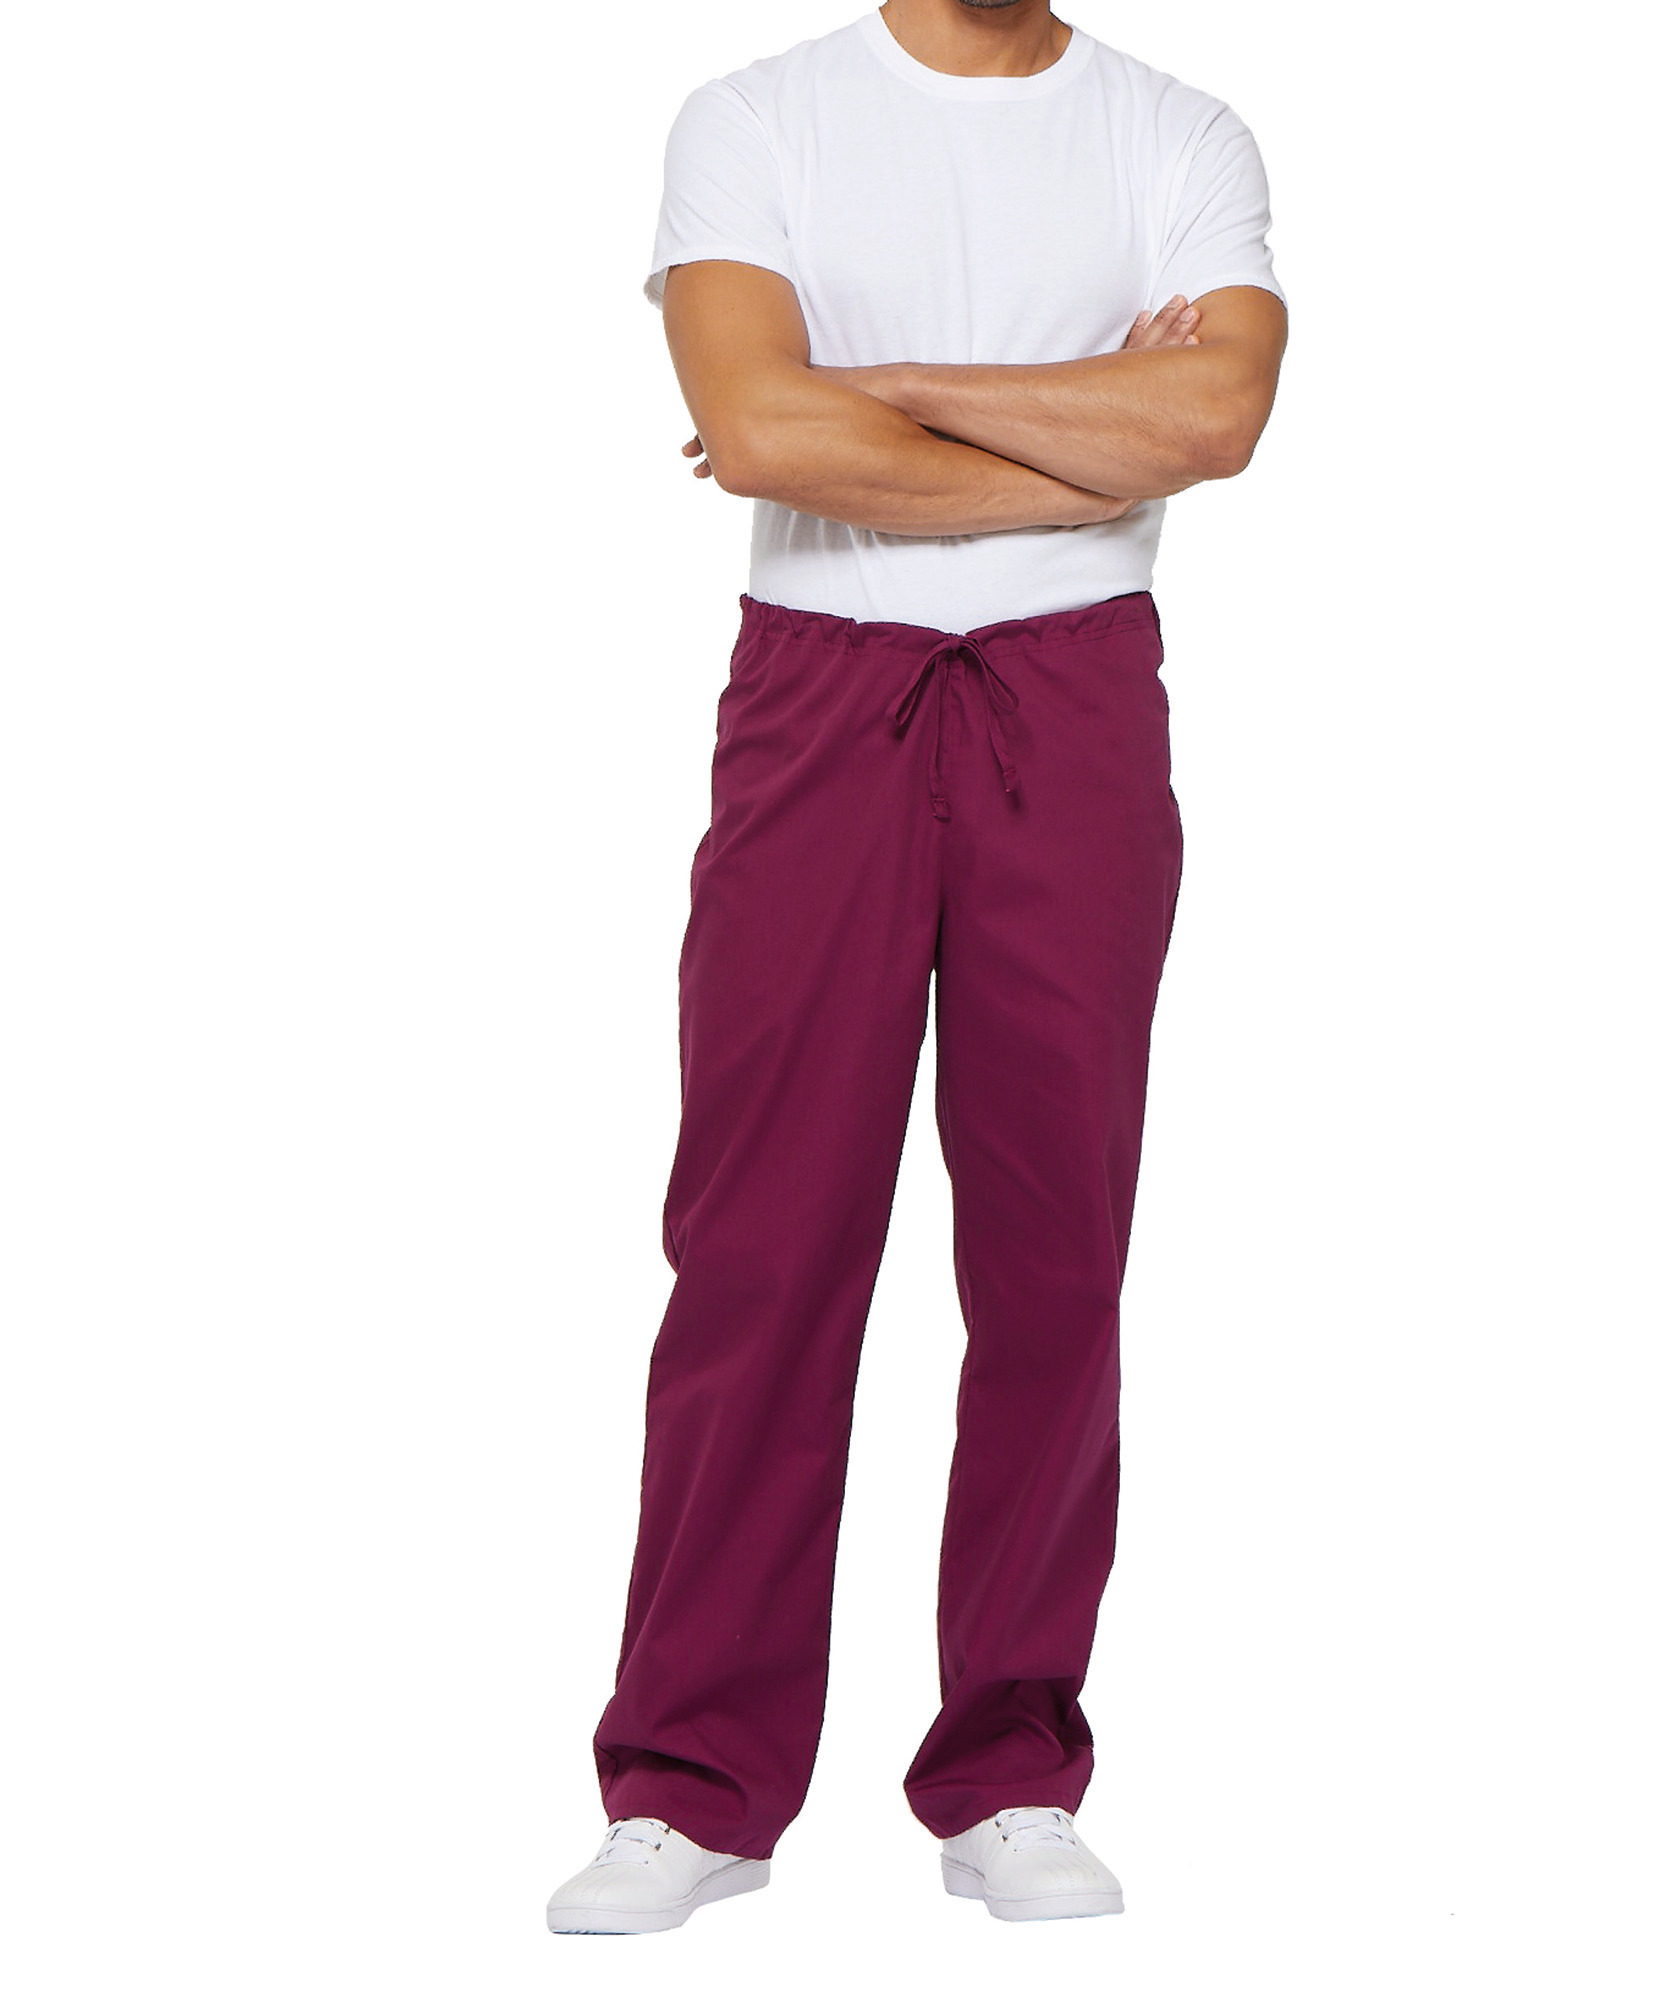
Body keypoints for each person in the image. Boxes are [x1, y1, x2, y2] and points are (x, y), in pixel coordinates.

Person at [547, 0, 1287, 1932]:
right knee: (761, 1241)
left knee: (1055, 1245)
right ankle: (693, 1785)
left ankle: (1011, 1771)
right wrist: (1083, 437)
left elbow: (1215, 420)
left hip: (1076, 693)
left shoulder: (1178, 133)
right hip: (823, 684)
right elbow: (764, 431)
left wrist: (876, 389)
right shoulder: (755, 118)